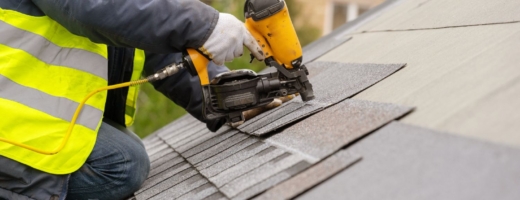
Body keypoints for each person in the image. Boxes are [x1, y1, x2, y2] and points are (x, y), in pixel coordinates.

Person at [0, 0, 269, 199]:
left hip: (28, 118)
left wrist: (226, 95)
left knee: (125, 156)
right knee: (121, 164)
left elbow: (149, 42)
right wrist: (202, 25)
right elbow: (90, 8)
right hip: (8, 130)